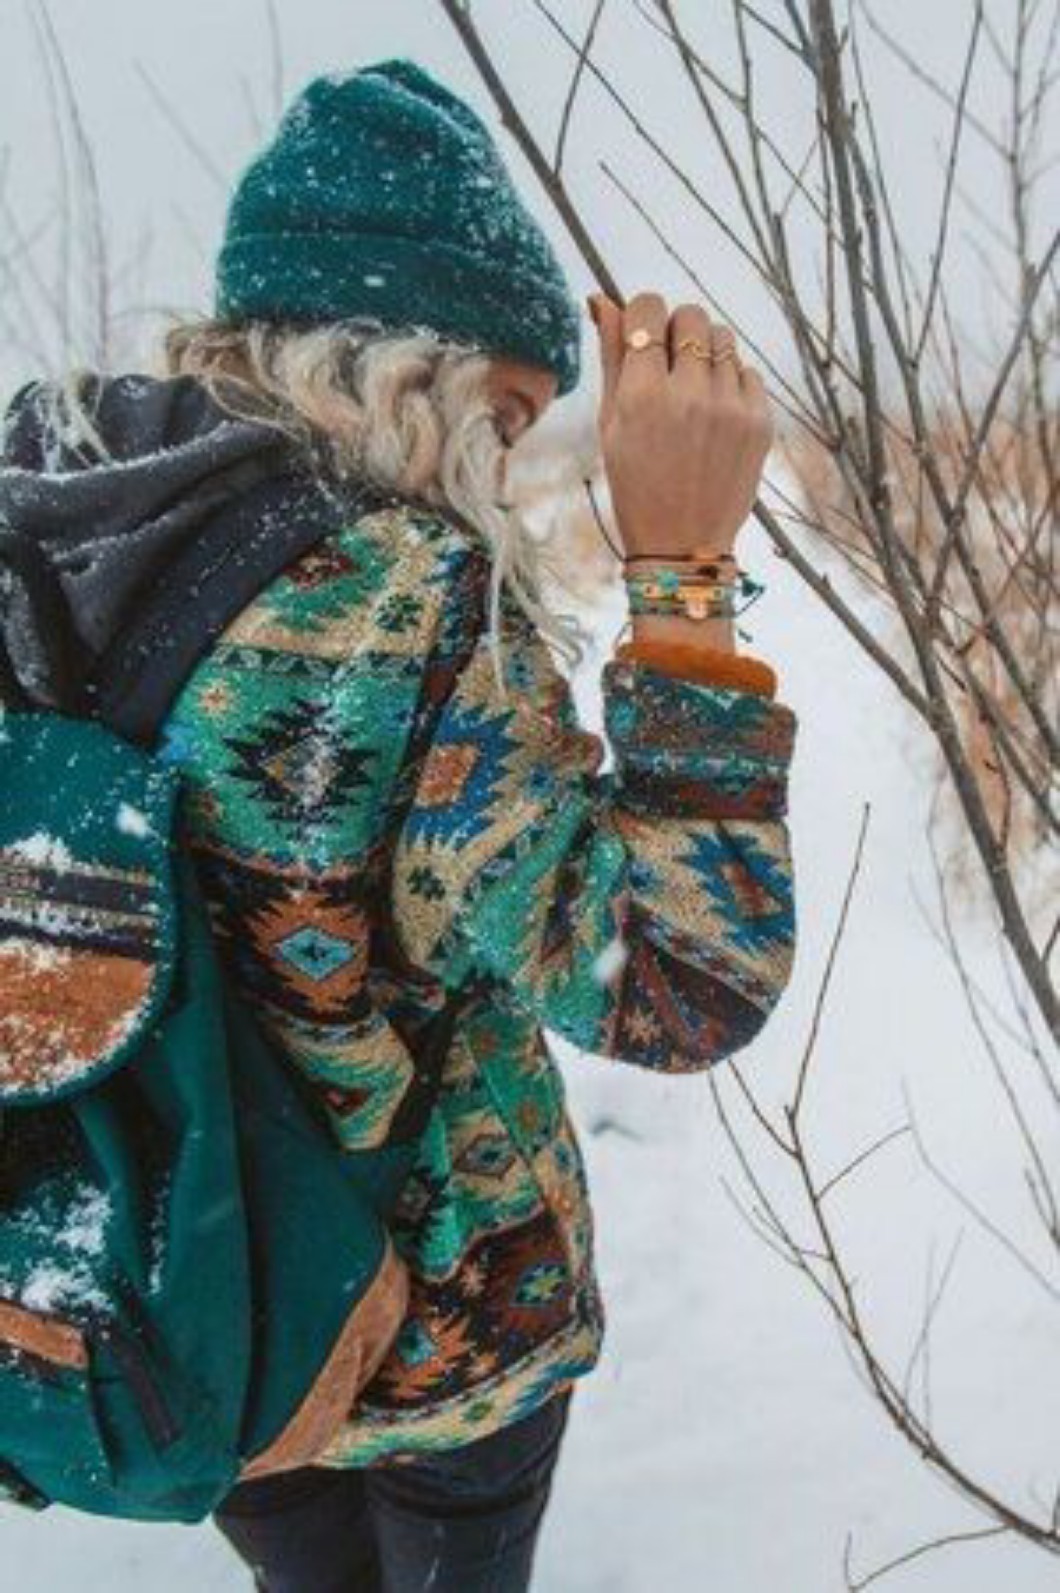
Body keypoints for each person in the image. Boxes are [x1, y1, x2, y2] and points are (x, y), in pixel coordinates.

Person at [2, 56, 798, 1593]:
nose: (510, 460)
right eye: (511, 412)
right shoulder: (400, 608)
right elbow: (677, 976)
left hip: (189, 1292)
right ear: (420, 371)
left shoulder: (41, 531)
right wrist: (686, 586)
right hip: (443, 1328)